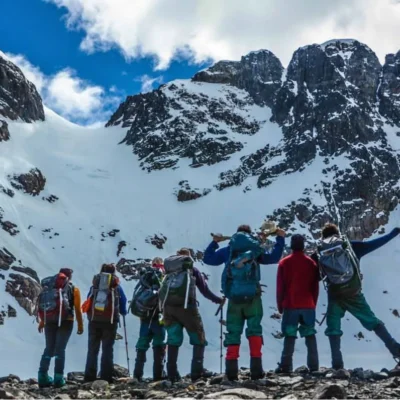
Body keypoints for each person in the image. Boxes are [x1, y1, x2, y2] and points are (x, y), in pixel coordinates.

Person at [203, 224, 286, 381]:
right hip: (253, 298)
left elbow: (208, 259)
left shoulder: (228, 251)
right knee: (254, 331)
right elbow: (274, 257)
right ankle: (256, 372)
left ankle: (231, 373)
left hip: (234, 298)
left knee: (233, 333)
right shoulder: (254, 250)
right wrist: (280, 238)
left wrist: (214, 242)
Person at [316, 223, 400, 370]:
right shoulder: (350, 247)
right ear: (338, 234)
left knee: (333, 329)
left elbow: (314, 275)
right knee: (373, 322)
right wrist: (393, 233)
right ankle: (396, 351)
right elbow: (375, 243)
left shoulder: (320, 254)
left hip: (335, 296)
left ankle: (337, 366)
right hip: (354, 294)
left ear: (323, 238)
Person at [160, 248, 224, 382]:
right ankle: (197, 371)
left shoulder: (168, 272)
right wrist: (218, 300)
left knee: (173, 340)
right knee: (199, 338)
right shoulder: (192, 271)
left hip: (169, 309)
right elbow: (204, 290)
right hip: (188, 309)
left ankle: (172, 374)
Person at [276, 234, 320, 373]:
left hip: (290, 304)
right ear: (303, 246)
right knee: (309, 335)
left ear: (291, 245)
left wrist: (280, 306)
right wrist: (313, 303)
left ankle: (286, 366)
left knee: (290, 335)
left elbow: (280, 287)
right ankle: (314, 367)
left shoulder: (284, 262)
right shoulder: (311, 263)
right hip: (308, 305)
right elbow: (315, 287)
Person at [37, 268, 83, 388]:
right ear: (69, 277)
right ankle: (58, 378)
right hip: (66, 321)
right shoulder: (74, 289)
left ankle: (42, 376)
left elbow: (47, 306)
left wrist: (43, 321)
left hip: (50, 320)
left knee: (49, 348)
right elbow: (77, 308)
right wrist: (80, 325)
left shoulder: (50, 288)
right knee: (60, 349)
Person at [83, 263, 127, 383]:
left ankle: (89, 376)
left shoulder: (95, 285)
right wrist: (122, 312)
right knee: (107, 349)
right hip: (110, 322)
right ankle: (106, 376)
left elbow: (89, 299)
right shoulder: (116, 286)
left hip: (94, 321)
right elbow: (123, 301)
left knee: (92, 349)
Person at [133, 257, 166, 382]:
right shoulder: (163, 277)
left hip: (145, 318)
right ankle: (158, 375)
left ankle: (137, 374)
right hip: (159, 318)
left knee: (142, 345)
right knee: (159, 345)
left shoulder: (145, 279)